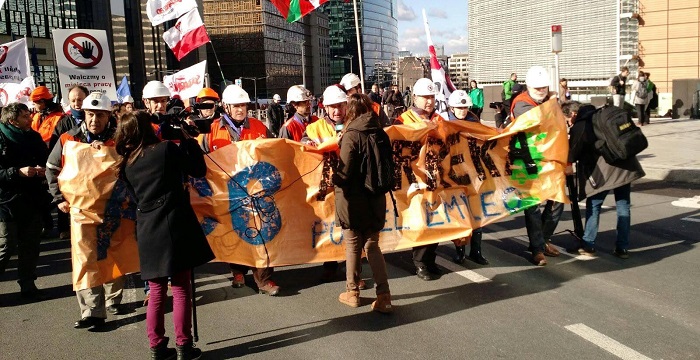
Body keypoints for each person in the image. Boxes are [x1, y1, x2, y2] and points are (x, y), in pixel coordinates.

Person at [115, 111, 214, 360]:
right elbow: (198, 170)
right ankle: (184, 346)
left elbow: (136, 198)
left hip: (147, 226)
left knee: (157, 290)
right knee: (180, 287)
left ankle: (157, 347)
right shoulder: (165, 149)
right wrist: (190, 140)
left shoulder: (127, 164)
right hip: (174, 222)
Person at [45, 92, 125, 330]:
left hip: (112, 209)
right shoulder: (68, 139)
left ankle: (113, 299)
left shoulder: (120, 140)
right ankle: (92, 311)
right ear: (84, 114)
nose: (94, 120)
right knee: (84, 258)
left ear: (108, 116)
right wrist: (58, 198)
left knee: (111, 255)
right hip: (80, 209)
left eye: (100, 115)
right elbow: (51, 168)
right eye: (91, 114)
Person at [198, 85, 278, 295]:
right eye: (236, 106)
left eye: (243, 105)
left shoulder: (259, 127)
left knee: (262, 235)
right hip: (227, 191)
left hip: (256, 191)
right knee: (235, 233)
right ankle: (238, 271)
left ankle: (264, 279)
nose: (241, 109)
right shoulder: (212, 129)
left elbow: (274, 152)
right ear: (225, 107)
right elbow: (201, 158)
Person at [301, 85, 367, 289]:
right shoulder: (314, 128)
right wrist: (313, 143)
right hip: (326, 188)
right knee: (328, 226)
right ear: (325, 108)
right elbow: (302, 145)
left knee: (353, 231)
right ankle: (329, 266)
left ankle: (354, 274)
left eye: (340, 106)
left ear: (346, 106)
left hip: (351, 186)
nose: (336, 111)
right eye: (332, 107)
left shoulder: (355, 124)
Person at [333, 93, 393, 313]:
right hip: (376, 198)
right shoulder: (380, 133)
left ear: (350, 112)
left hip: (353, 200)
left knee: (352, 245)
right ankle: (384, 296)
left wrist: (334, 177)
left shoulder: (351, 135)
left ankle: (352, 292)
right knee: (372, 246)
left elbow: (344, 172)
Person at [562, 101, 645, 258]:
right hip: (626, 166)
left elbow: (573, 152)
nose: (568, 124)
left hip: (605, 171)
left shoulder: (581, 124)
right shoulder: (601, 115)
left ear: (572, 114)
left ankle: (588, 244)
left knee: (593, 205)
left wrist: (568, 163)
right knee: (623, 206)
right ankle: (622, 248)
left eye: (567, 121)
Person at [510, 66, 563, 266]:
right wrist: (553, 105)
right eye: (538, 88)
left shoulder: (547, 101)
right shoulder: (522, 103)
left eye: (544, 87)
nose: (541, 90)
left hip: (547, 159)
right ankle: (537, 249)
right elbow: (538, 121)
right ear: (530, 87)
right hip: (526, 160)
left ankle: (542, 239)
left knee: (557, 199)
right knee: (532, 206)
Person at [395, 78, 444, 280]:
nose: (429, 101)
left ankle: (430, 259)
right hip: (414, 179)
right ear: (415, 97)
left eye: (432, 97)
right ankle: (420, 262)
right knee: (421, 220)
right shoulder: (403, 120)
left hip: (436, 177)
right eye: (425, 97)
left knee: (437, 220)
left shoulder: (439, 119)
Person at [0, 103, 48, 300]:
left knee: (30, 245)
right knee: (6, 246)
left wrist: (43, 170)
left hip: (32, 199)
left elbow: (45, 159)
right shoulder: (1, 138)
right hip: (6, 202)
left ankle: (28, 285)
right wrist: (17, 172)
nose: (31, 118)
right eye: (25, 116)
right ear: (12, 121)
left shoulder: (33, 136)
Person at [446, 91, 488, 265]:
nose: (462, 110)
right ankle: (460, 250)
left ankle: (476, 251)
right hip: (455, 176)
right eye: (459, 107)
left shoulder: (475, 123)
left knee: (477, 214)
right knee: (460, 215)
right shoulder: (445, 124)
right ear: (451, 107)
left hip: (474, 174)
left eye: (465, 107)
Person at [52, 84, 89, 149]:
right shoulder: (63, 124)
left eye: (80, 100)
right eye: (73, 101)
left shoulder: (96, 119)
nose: (76, 104)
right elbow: (55, 148)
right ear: (69, 101)